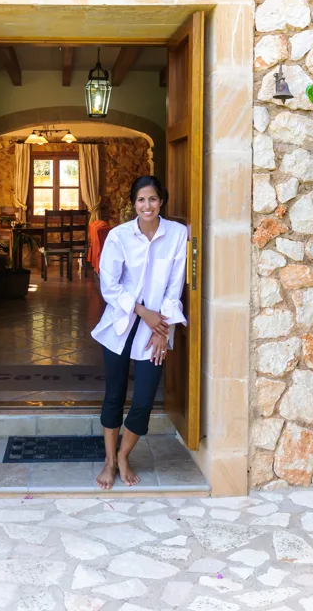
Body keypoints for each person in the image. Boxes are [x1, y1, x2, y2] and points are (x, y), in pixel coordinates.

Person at [92, 175, 188, 489]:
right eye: (141, 200)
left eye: (153, 199)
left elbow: (175, 285)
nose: (147, 205)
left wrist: (163, 330)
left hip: (158, 326)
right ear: (133, 204)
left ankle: (124, 455)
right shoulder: (119, 236)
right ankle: (109, 460)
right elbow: (110, 285)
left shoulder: (176, 234)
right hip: (121, 323)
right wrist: (141, 310)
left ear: (162, 201)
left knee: (144, 398)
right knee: (114, 395)